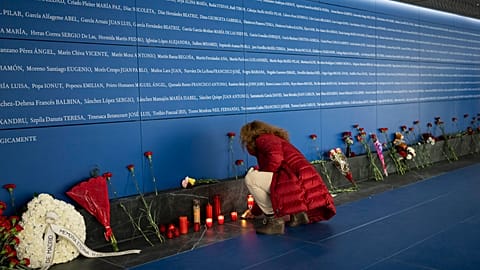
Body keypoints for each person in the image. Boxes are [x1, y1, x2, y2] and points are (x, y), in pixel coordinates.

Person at [239, 120, 336, 234]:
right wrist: (254, 211)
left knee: (251, 177)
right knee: (271, 179)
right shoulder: (274, 139)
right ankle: (299, 215)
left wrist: (263, 173)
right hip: (301, 180)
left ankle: (274, 222)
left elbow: (276, 159)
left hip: (296, 180)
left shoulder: (262, 139)